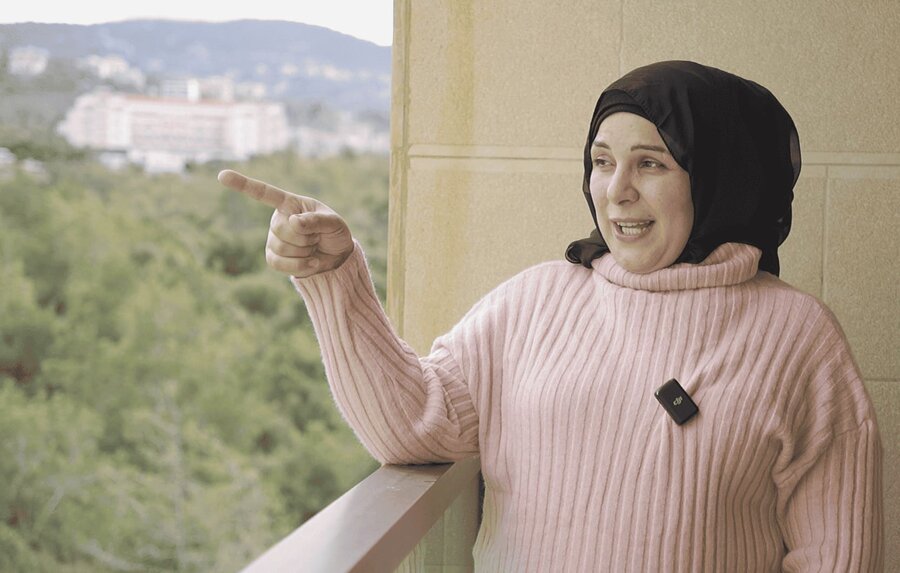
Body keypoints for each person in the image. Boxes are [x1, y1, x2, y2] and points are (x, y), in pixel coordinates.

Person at [219, 60, 884, 572]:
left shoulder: (799, 337)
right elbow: (411, 427)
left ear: (718, 176)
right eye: (601, 161)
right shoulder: (534, 302)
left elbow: (837, 556)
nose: (615, 188)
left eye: (649, 162)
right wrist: (333, 275)